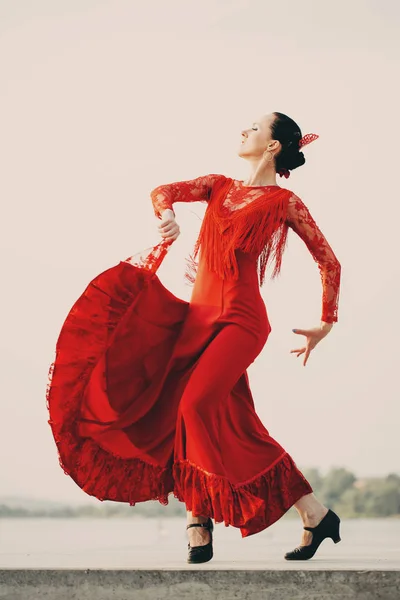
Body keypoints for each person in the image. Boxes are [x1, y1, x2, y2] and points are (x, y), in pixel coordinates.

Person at [46, 111, 341, 564]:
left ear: (273, 146)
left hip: (241, 323)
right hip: (198, 320)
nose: (244, 129)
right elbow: (162, 190)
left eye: (255, 127)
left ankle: (197, 520)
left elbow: (329, 261)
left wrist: (325, 322)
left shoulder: (284, 203)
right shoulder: (218, 185)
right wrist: (168, 218)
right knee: (235, 423)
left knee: (193, 405)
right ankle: (315, 513)